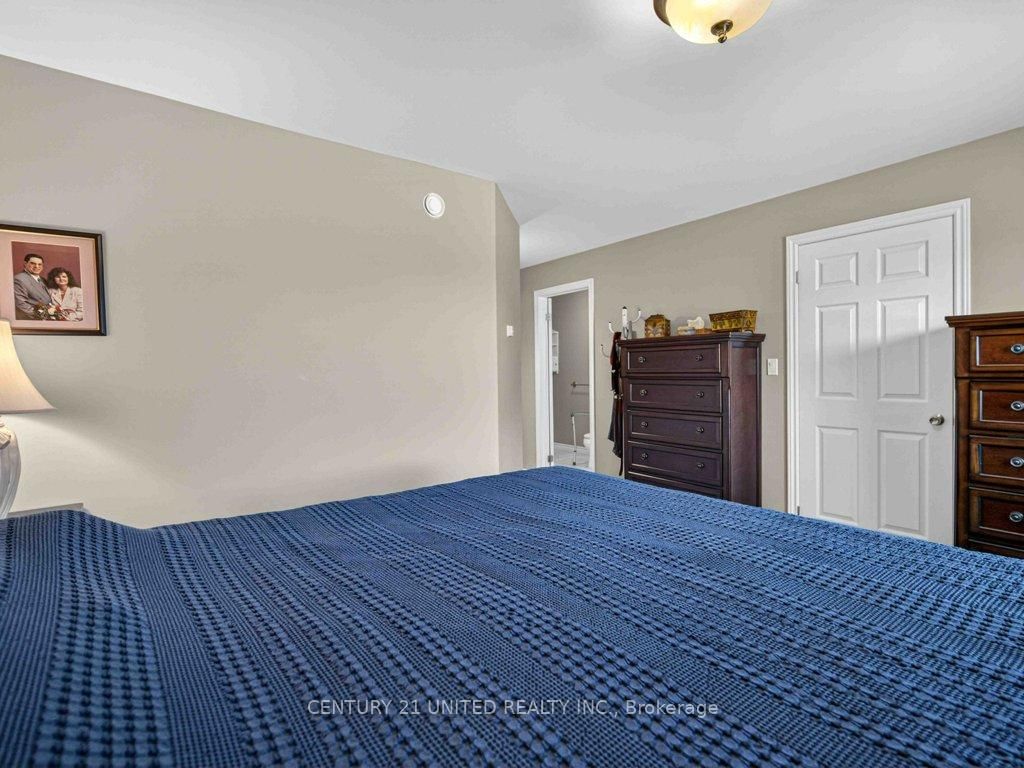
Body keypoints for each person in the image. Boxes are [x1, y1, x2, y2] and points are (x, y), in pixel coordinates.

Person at [13, 253, 57, 320]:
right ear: (25, 264)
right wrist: (44, 316)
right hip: (35, 320)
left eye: (40, 264)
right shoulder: (19, 279)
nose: (36, 266)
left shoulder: (43, 280)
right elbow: (21, 304)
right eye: (33, 263)